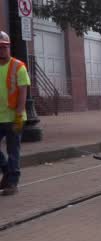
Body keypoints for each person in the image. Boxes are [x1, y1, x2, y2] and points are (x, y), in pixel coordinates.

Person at [0, 31, 30, 196]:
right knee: (10, 154)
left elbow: (23, 92)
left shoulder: (18, 66)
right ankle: (6, 171)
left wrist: (19, 115)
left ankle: (12, 183)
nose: (1, 50)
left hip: (13, 117)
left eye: (4, 47)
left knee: (13, 151)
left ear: (9, 47)